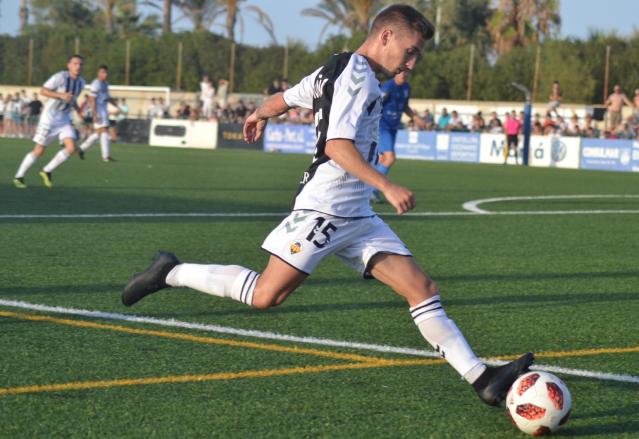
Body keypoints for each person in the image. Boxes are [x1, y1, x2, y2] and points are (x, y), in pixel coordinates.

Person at [122, 4, 533, 408]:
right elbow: (336, 146)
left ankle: (481, 378)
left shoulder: (336, 67)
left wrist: (259, 113)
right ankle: (169, 271)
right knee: (266, 295)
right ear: (385, 35)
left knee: (421, 289)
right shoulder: (356, 76)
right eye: (409, 51)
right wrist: (386, 185)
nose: (411, 63)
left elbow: (287, 97)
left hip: (357, 214)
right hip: (324, 210)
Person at [13, 54, 86, 189]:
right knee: (39, 151)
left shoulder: (81, 82)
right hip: (49, 119)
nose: (78, 66)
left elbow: (73, 99)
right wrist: (60, 95)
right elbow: (43, 90)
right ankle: (19, 176)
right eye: (75, 63)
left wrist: (78, 110)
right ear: (69, 65)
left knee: (71, 147)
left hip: (64, 119)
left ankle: (47, 170)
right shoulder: (60, 77)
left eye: (81, 64)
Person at [375, 69, 425, 202]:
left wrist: (416, 118)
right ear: (395, 73)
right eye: (401, 72)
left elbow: (405, 107)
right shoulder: (388, 87)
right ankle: (372, 188)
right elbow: (375, 104)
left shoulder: (407, 87)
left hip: (393, 127)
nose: (403, 74)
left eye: (406, 72)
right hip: (382, 126)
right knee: (390, 158)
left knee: (383, 159)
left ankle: (366, 187)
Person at [78, 65, 125, 162]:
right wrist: (95, 114)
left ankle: (81, 149)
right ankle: (106, 156)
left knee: (100, 132)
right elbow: (92, 99)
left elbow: (108, 97)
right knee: (103, 131)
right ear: (98, 73)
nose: (105, 74)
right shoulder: (96, 83)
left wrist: (117, 106)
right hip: (98, 109)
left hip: (103, 109)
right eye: (103, 72)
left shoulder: (106, 84)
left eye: (106, 72)